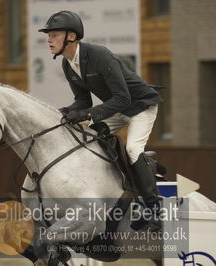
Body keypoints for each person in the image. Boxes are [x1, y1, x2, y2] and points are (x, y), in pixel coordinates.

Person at [39, 11, 163, 231]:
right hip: (118, 108)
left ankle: (153, 209)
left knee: (133, 149)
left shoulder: (100, 55)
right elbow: (82, 100)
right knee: (91, 139)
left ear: (71, 36)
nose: (49, 39)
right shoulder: (68, 64)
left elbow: (123, 97)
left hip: (141, 105)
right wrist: (65, 111)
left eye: (54, 34)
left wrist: (88, 115)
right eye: (49, 35)